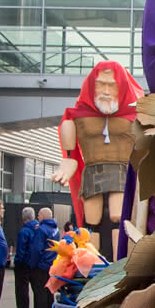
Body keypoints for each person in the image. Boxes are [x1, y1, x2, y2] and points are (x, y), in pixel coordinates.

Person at [51, 61, 143, 253]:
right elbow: (70, 156)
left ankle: (121, 265)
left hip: (123, 171)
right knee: (91, 221)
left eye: (111, 85)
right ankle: (91, 265)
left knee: (119, 216)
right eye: (101, 84)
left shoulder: (137, 115)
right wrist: (66, 167)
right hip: (93, 170)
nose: (106, 91)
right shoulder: (76, 117)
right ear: (93, 85)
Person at [29, 206, 61, 308]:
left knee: (40, 292)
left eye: (39, 215)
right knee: (49, 292)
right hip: (52, 265)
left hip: (41, 265)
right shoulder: (56, 229)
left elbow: (36, 249)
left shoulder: (41, 230)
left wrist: (32, 264)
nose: (37, 217)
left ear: (42, 216)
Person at [12, 206, 42, 308]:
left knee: (22, 290)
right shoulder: (39, 229)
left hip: (23, 264)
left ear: (23, 218)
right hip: (36, 264)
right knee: (37, 290)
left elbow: (21, 250)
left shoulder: (24, 231)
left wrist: (17, 262)